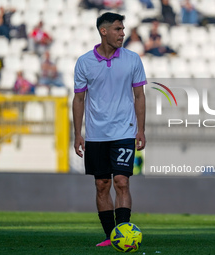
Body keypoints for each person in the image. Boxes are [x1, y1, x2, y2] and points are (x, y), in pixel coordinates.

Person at [73, 12, 146, 247]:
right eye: (117, 29)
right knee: (101, 184)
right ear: (103, 31)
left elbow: (139, 96)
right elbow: (79, 100)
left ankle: (123, 232)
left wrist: (141, 130)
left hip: (124, 131)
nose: (122, 33)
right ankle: (109, 236)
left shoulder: (133, 59)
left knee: (122, 182)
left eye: (123, 29)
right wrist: (77, 134)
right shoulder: (84, 62)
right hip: (96, 134)